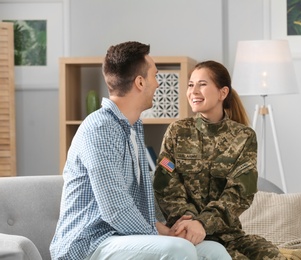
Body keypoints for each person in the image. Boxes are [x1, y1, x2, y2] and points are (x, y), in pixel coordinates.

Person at [50, 42, 231, 260]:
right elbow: (116, 211)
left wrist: (171, 229)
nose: (157, 84)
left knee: (214, 251)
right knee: (178, 250)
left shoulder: (132, 127)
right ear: (140, 82)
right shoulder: (100, 129)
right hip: (88, 244)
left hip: (122, 237)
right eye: (155, 75)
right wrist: (164, 234)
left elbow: (133, 208)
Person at [153, 60, 287, 260]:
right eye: (191, 85)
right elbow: (166, 184)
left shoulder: (244, 136)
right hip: (186, 234)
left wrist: (204, 223)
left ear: (223, 93)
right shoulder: (177, 131)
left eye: (202, 84)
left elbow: (240, 191)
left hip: (228, 234)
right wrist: (191, 223)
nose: (194, 91)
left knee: (272, 256)